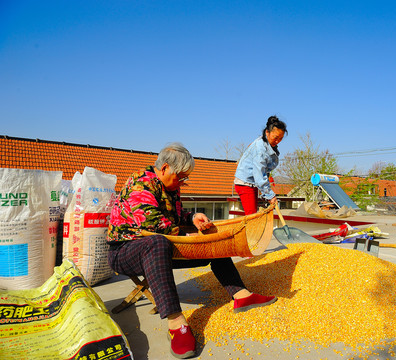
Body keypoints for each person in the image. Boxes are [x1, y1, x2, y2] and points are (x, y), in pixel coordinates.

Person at [107, 143, 277, 359]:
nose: (182, 183)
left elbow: (175, 217)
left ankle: (241, 295)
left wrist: (192, 218)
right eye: (181, 177)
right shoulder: (141, 183)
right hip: (125, 250)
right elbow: (152, 224)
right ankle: (177, 324)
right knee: (157, 243)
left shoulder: (171, 186)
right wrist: (187, 237)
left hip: (162, 246)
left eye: (186, 178)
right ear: (165, 168)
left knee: (214, 237)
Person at [234, 115, 287, 215]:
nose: (277, 141)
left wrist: (266, 193)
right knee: (251, 217)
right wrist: (270, 195)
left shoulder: (266, 143)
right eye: (275, 138)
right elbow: (259, 175)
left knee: (253, 215)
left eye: (280, 138)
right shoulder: (260, 149)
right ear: (267, 132)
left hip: (252, 183)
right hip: (245, 184)